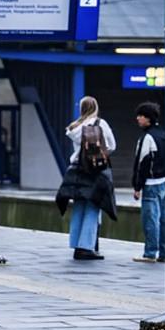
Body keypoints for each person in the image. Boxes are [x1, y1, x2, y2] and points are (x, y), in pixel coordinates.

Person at [64, 96, 116, 261]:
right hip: (94, 171)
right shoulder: (101, 124)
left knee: (79, 206)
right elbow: (112, 146)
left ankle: (76, 244)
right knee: (93, 207)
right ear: (95, 107)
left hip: (76, 171)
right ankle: (86, 247)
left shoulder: (75, 127)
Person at [131, 102, 165, 263]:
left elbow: (142, 164)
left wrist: (137, 186)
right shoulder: (164, 134)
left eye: (141, 116)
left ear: (149, 119)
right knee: (164, 219)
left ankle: (150, 253)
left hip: (151, 185)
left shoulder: (148, 138)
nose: (138, 118)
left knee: (150, 220)